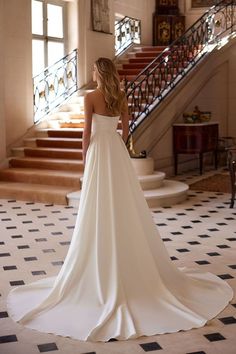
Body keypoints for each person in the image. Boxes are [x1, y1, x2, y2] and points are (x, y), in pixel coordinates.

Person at [7, 57, 233, 342]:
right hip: (115, 149)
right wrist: (118, 143)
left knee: (98, 200)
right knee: (123, 199)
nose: (91, 73)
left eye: (92, 70)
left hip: (100, 150)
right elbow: (127, 130)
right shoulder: (120, 96)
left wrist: (86, 158)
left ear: (98, 73)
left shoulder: (91, 96)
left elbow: (86, 133)